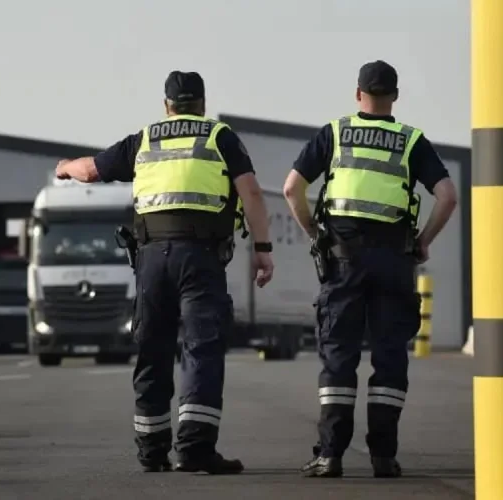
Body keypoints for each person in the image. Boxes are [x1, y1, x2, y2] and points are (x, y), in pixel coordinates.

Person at [54, 70, 275, 475]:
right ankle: (194, 449)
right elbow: (252, 192)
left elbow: (90, 171)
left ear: (166, 105)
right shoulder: (219, 136)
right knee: (201, 349)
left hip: (152, 259)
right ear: (203, 104)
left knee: (152, 349)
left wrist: (65, 167)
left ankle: (151, 451)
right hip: (202, 258)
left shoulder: (145, 138)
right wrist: (262, 249)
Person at [282, 60, 458, 479]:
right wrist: (424, 241)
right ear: (395, 96)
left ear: (357, 93)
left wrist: (314, 231)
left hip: (343, 261)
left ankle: (330, 455)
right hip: (395, 261)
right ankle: (383, 456)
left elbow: (292, 188)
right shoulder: (411, 141)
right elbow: (448, 196)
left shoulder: (336, 133)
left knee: (339, 357)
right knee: (390, 356)